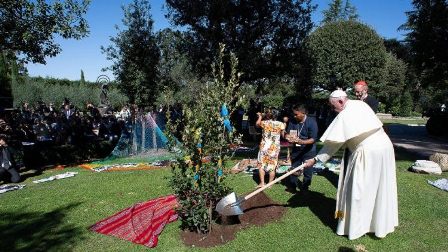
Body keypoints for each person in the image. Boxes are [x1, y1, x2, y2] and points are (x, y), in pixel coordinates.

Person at [303, 90, 398, 240]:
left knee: (357, 191)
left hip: (367, 153)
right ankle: (377, 225)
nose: (332, 109)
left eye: (333, 106)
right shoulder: (360, 104)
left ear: (340, 102)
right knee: (379, 187)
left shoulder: (345, 115)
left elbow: (333, 144)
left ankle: (357, 227)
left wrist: (315, 160)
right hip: (385, 148)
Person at [285, 104, 318, 193]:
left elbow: (313, 139)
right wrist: (289, 137)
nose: (294, 116)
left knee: (308, 170)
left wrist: (301, 142)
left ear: (303, 113)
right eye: (294, 114)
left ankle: (305, 187)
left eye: (296, 114)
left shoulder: (311, 122)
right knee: (294, 167)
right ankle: (292, 186)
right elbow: (288, 133)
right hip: (296, 149)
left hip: (309, 150)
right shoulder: (292, 121)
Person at [255, 108, 285, 188]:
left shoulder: (264, 123)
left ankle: (262, 183)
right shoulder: (281, 124)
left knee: (261, 165)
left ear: (269, 115)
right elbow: (283, 136)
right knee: (272, 166)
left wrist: (260, 117)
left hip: (264, 147)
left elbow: (257, 124)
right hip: (274, 148)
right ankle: (270, 184)